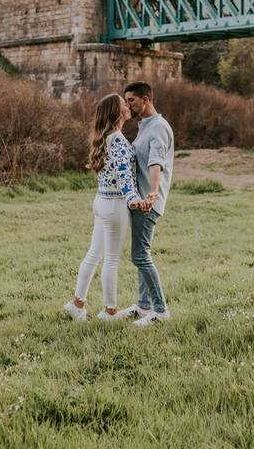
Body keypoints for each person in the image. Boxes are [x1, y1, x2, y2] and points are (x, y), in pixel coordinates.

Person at [64, 93, 142, 322]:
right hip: (115, 204)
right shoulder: (116, 139)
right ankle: (110, 311)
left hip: (101, 201)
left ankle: (77, 304)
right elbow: (124, 173)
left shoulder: (105, 138)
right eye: (123, 104)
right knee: (111, 259)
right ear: (116, 113)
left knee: (94, 254)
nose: (128, 105)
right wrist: (132, 198)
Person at [118, 81, 174, 327]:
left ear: (145, 99)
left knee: (140, 256)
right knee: (142, 254)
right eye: (126, 101)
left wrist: (151, 194)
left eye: (131, 100)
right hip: (140, 201)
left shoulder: (158, 127)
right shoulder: (146, 126)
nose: (128, 105)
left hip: (147, 203)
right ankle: (143, 306)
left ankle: (160, 312)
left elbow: (155, 163)